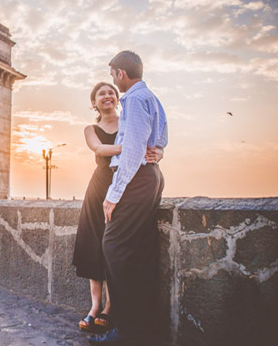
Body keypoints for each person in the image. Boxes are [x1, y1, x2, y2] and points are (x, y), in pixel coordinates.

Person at [89, 51, 168, 345]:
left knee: (113, 245)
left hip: (136, 179)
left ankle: (127, 329)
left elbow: (133, 150)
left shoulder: (133, 100)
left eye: (113, 75)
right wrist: (159, 151)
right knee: (140, 249)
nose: (112, 80)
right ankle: (146, 326)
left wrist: (113, 195)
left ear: (121, 74)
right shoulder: (151, 97)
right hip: (152, 176)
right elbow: (160, 138)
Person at [73, 82, 163, 334]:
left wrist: (159, 153)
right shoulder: (90, 128)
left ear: (118, 98)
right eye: (102, 94)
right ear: (94, 103)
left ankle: (110, 308)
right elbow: (99, 148)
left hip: (123, 189)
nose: (108, 96)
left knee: (114, 246)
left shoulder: (129, 121)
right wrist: (130, 148)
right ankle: (94, 306)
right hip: (100, 186)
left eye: (112, 92)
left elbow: (151, 143)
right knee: (95, 244)